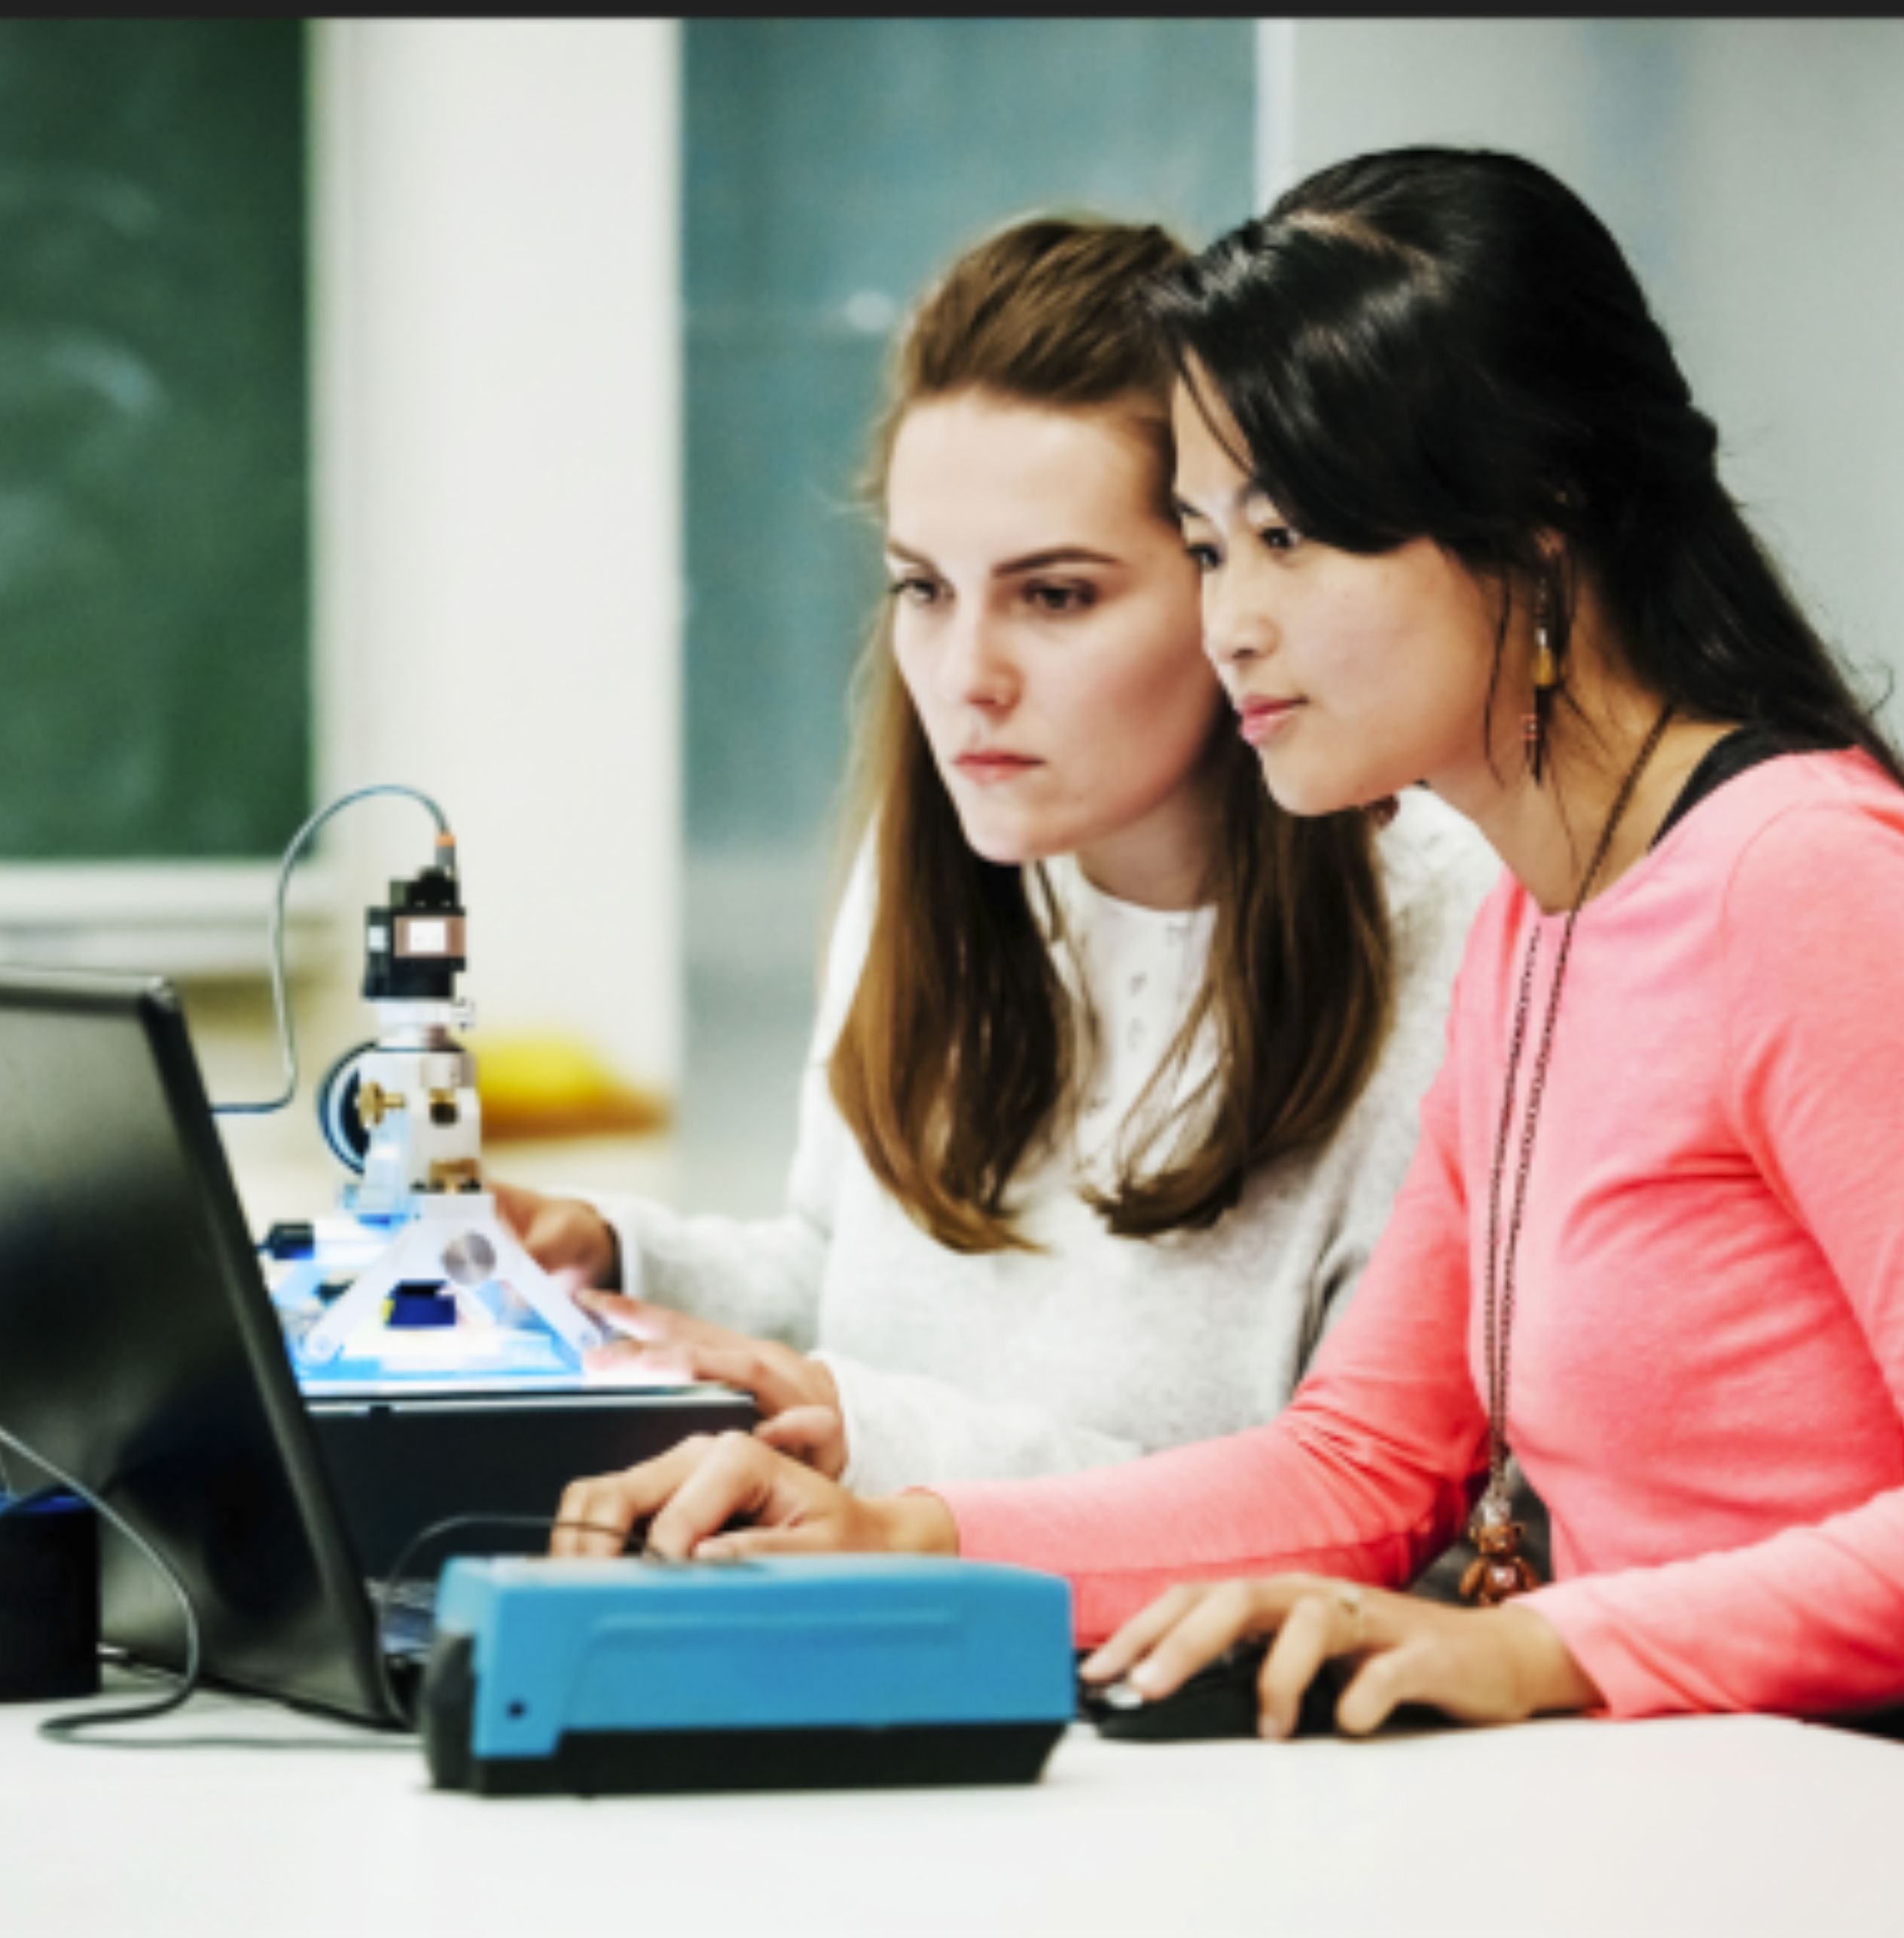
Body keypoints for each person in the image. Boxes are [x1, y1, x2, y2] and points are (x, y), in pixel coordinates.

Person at [551, 149, 1904, 1798]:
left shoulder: (1814, 886)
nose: (1232, 630)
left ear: (1534, 532)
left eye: (1290, 542)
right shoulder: (1540, 920)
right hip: (1717, 1813)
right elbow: (1363, 1467)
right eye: (1209, 551)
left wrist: (1549, 1650)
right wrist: (905, 1536)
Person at [495, 215, 1497, 1495]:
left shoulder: (1459, 942)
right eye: (924, 588)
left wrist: (867, 1433)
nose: (966, 678)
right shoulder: (947, 860)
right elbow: (844, 1277)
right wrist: (614, 1259)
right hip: (882, 1618)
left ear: (1224, 583)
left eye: (1056, 595)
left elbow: (1345, 1508)